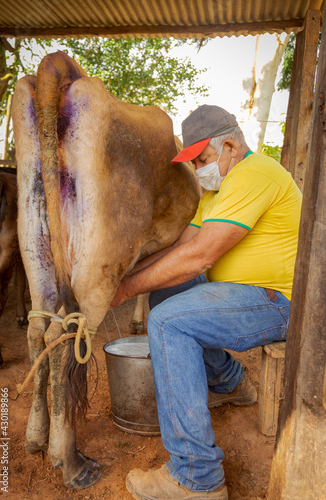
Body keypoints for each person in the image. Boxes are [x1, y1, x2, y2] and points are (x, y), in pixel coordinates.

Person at [110, 104, 302, 500]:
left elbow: (200, 257)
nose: (199, 169)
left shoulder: (257, 173)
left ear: (230, 145)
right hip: (243, 295)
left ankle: (196, 477)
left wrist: (126, 292)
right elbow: (181, 247)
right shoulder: (218, 191)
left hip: (278, 301)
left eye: (203, 159)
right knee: (167, 291)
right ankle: (230, 383)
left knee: (167, 321)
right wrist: (125, 276)